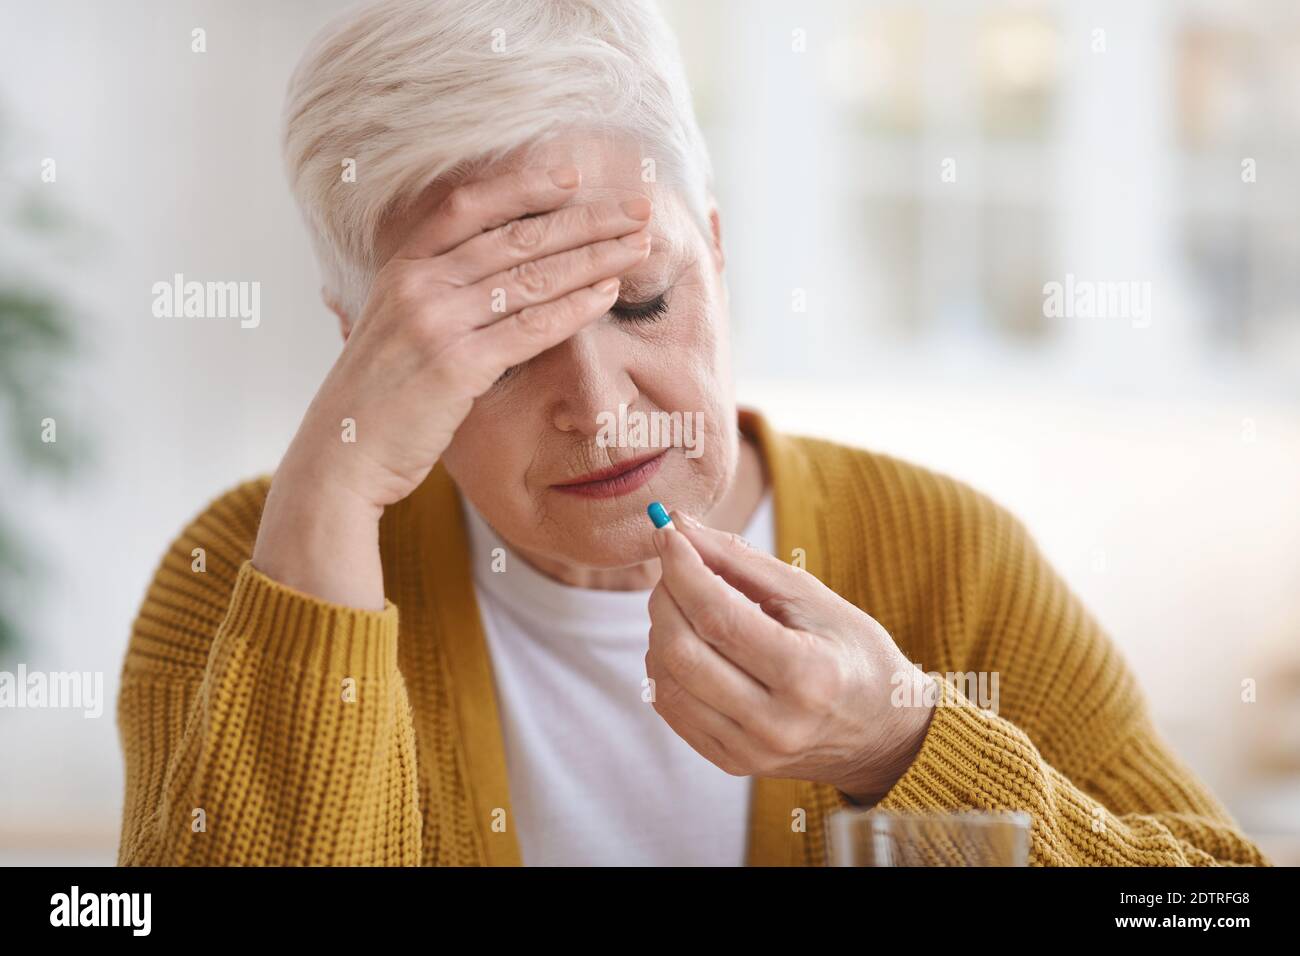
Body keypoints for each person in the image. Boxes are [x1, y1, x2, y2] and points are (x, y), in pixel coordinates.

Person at [115, 0, 1270, 866]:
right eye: (497, 342)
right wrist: (326, 505)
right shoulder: (237, 579)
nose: (607, 411)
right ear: (363, 344)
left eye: (639, 300)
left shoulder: (948, 559)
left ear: (713, 249)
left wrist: (900, 741)